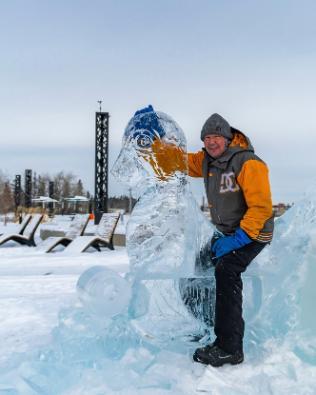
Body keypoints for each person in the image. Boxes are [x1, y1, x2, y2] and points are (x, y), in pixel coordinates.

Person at [188, 113, 274, 367]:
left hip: (255, 232)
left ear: (227, 138)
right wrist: (155, 140)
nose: (212, 142)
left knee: (226, 271)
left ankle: (230, 346)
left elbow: (261, 208)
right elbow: (175, 161)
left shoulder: (248, 162)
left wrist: (238, 239)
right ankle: (208, 326)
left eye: (216, 137)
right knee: (197, 268)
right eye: (207, 138)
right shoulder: (206, 160)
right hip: (226, 233)